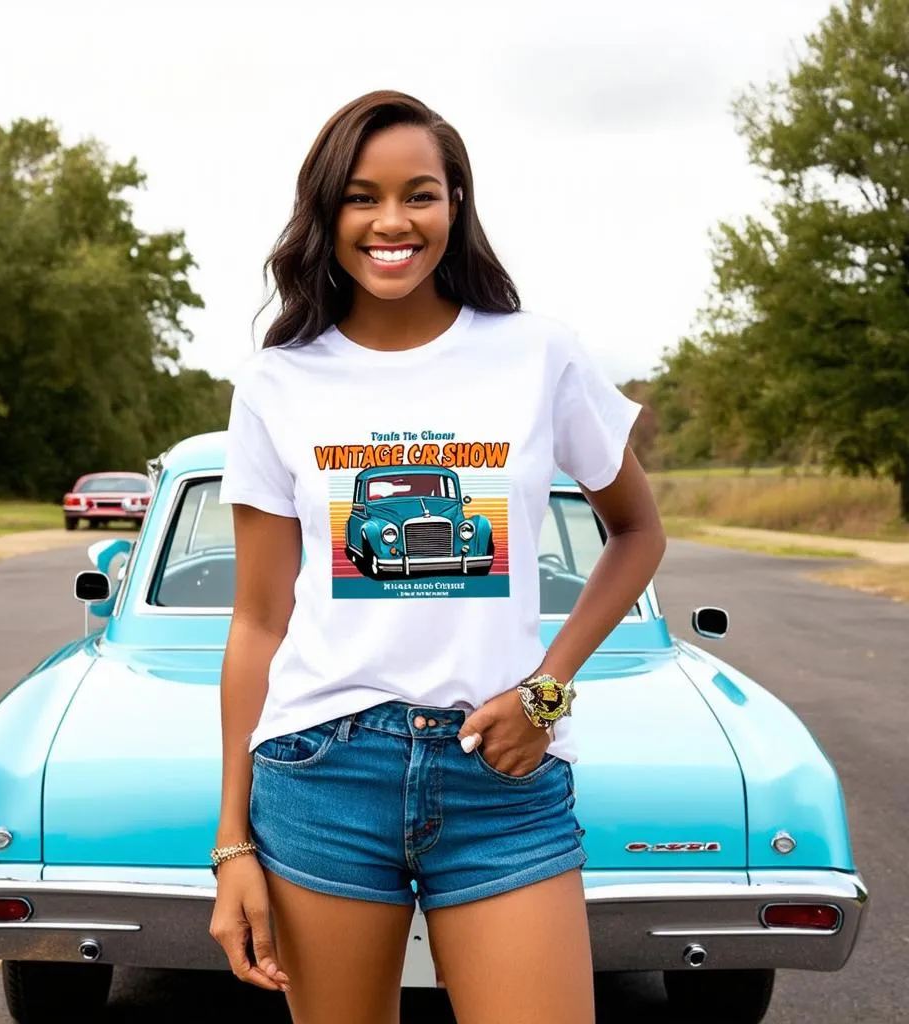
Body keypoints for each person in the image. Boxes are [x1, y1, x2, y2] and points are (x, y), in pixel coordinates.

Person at [209, 90, 666, 1024]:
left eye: (420, 193)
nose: (391, 221)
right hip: (322, 769)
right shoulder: (276, 382)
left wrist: (548, 689)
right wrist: (232, 846)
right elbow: (260, 619)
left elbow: (638, 532)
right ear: (326, 213)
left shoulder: (539, 355)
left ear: (455, 204)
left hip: (502, 769)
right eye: (360, 196)